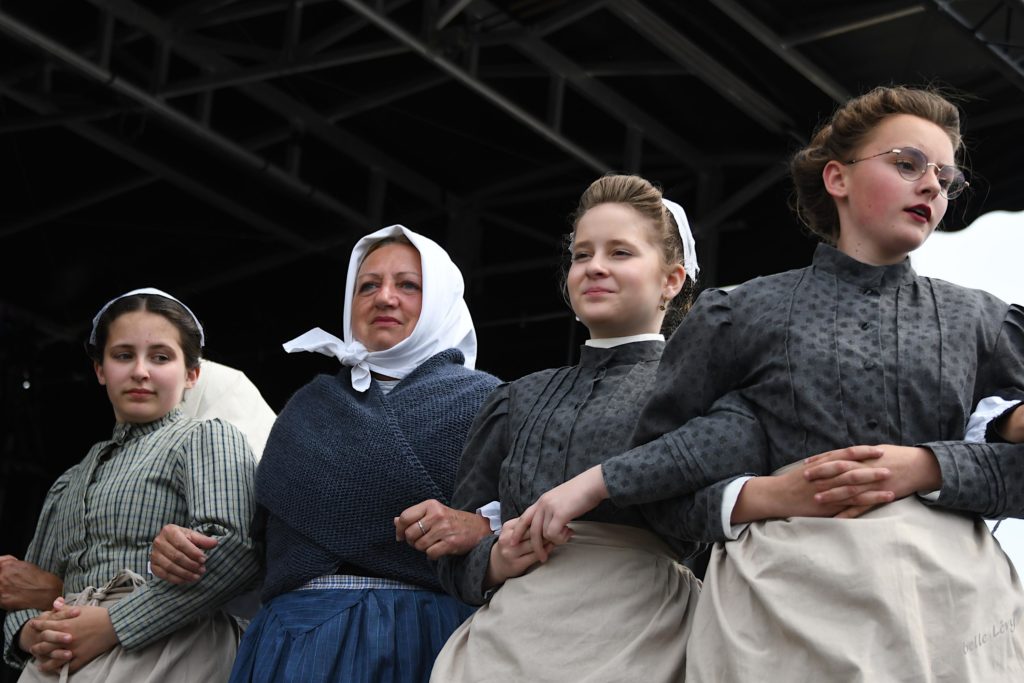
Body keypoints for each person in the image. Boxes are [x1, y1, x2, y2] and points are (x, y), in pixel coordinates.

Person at [512, 86, 1024, 680]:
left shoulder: (984, 322)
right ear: (837, 177)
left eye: (945, 177)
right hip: (782, 614)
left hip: (947, 611)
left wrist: (927, 467)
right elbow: (658, 491)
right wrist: (764, 497)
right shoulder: (739, 313)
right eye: (907, 164)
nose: (932, 185)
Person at [427, 174, 712, 682]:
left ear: (672, 280)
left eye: (620, 252)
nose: (595, 266)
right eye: (582, 254)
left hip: (643, 642)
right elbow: (455, 557)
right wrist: (496, 558)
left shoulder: (697, 390)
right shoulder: (516, 398)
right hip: (504, 651)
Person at [193, 224, 498, 683]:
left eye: (408, 285)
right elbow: (259, 548)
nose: (385, 298)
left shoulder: (489, 402)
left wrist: (482, 527)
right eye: (368, 286)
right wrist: (191, 553)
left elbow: (539, 517)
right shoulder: (305, 407)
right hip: (291, 642)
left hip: (419, 638)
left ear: (441, 300)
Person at [2, 288, 260, 681]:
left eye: (161, 357)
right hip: (60, 657)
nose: (140, 371)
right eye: (123, 355)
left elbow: (236, 549)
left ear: (192, 374)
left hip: (168, 649)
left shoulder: (204, 437)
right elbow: (28, 585)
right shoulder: (68, 481)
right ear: (100, 370)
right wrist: (29, 634)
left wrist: (114, 623)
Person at [1, 359, 275, 615]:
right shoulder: (74, 482)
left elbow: (232, 563)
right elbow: (25, 590)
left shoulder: (215, 437)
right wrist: (27, 630)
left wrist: (65, 594)